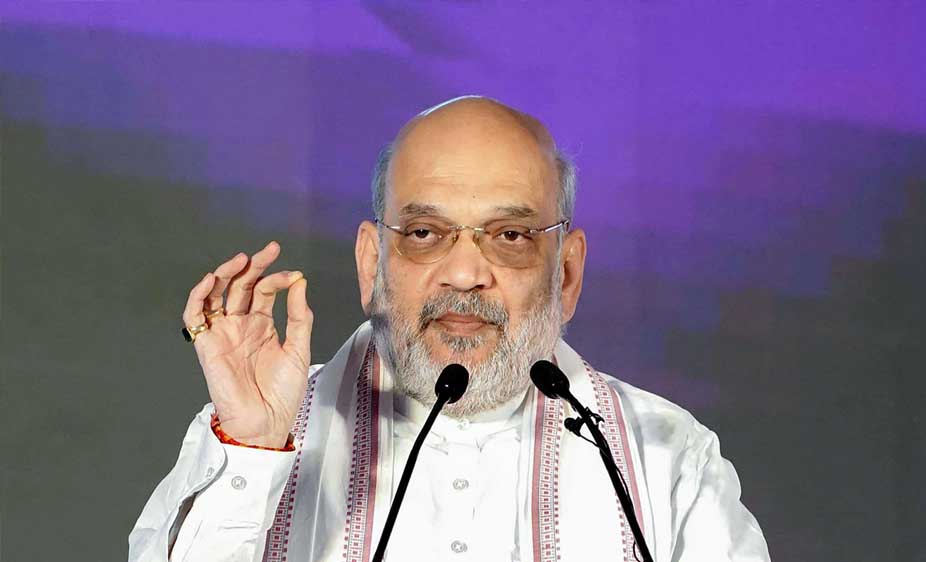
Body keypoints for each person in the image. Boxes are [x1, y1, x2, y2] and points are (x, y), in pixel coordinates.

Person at [128, 96, 771, 562]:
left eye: (510, 236)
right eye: (424, 233)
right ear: (372, 264)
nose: (465, 273)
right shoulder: (250, 438)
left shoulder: (665, 457)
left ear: (567, 274)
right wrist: (254, 448)